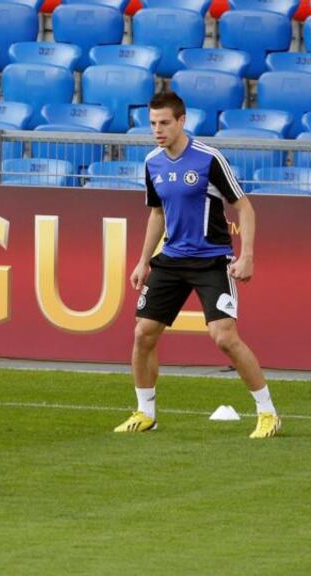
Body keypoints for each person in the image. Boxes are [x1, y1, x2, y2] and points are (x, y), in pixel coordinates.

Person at [116, 91, 280, 439]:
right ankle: (146, 413)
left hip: (211, 261)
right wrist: (143, 260)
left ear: (181, 121)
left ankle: (268, 412)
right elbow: (157, 213)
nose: (157, 130)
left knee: (224, 338)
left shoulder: (208, 159)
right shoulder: (152, 163)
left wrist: (247, 255)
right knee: (142, 333)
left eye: (164, 123)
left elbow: (245, 207)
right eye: (152, 124)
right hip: (171, 260)